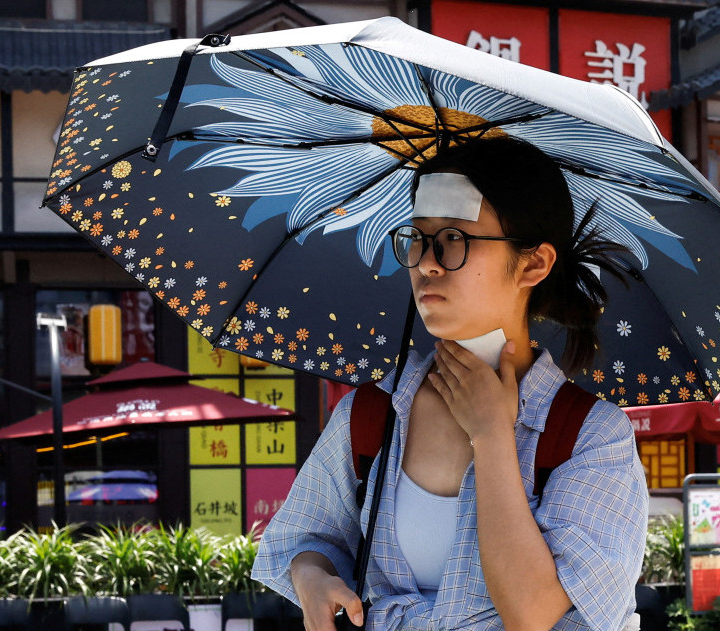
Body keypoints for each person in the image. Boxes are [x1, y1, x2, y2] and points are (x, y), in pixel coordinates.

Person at [251, 137, 648, 630]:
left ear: (533, 264)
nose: (428, 262)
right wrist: (312, 576)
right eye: (418, 238)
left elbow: (532, 613)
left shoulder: (591, 437)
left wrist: (491, 436)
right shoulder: (372, 414)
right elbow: (310, 536)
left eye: (456, 239)